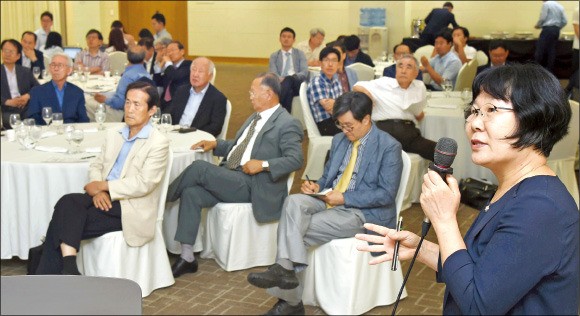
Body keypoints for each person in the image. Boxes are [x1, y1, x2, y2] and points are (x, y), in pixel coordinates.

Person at [356, 64, 579, 315]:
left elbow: (477, 305)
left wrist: (444, 219)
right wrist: (422, 248)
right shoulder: (516, 189)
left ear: (535, 119)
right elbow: (482, 270)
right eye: (473, 111)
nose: (474, 123)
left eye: (491, 110)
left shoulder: (541, 206)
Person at [247, 91, 403, 315]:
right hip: (329, 198)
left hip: (362, 212)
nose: (345, 131)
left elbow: (386, 194)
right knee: (292, 203)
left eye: (349, 126)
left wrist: (345, 198)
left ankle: (290, 300)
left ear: (366, 119)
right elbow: (328, 176)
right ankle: (286, 274)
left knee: (295, 228)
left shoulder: (388, 147)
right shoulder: (340, 139)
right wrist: (317, 187)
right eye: (341, 125)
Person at [166, 72, 303, 278]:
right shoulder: (255, 117)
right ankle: (187, 257)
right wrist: (216, 144)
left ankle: (158, 201)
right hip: (233, 177)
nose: (249, 96)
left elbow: (295, 159)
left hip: (255, 185)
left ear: (268, 94)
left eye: (253, 92)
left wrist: (264, 165)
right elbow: (241, 146)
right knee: (192, 193)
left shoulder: (287, 123)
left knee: (198, 168)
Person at [35, 81, 170, 275]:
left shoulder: (158, 142)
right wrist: (99, 190)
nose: (130, 109)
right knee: (67, 203)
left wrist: (104, 187)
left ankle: (52, 272)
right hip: (102, 198)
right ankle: (69, 269)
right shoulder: (114, 133)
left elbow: (144, 183)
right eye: (127, 103)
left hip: (129, 207)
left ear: (151, 110)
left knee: (64, 215)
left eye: (137, 105)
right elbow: (97, 164)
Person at [355, 54, 437, 161]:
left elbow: (419, 115)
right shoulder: (384, 83)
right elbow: (357, 86)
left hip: (409, 132)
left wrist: (418, 113)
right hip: (384, 130)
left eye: (409, 67)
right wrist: (368, 95)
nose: (403, 70)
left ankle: (439, 178)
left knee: (441, 151)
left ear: (416, 73)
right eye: (400, 66)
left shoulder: (419, 87)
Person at [89, 45, 150, 122]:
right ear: (143, 59)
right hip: (142, 111)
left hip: (122, 113)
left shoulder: (128, 76)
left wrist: (105, 100)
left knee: (87, 102)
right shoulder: (146, 74)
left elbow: (120, 103)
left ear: (127, 57)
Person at [169, 57, 227, 137]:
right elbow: (170, 113)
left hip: (197, 140)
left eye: (200, 71)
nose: (195, 74)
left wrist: (193, 136)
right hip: (175, 135)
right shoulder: (181, 91)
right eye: (193, 70)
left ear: (210, 76)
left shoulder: (218, 98)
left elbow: (215, 128)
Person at [27, 53, 89, 125]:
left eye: (60, 65)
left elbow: (84, 120)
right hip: (46, 133)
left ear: (69, 70)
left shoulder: (77, 92)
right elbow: (33, 119)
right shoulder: (37, 91)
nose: (56, 69)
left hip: (70, 132)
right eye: (53, 65)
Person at [268, 27, 309, 113]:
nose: (286, 39)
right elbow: (273, 72)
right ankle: (285, 118)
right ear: (279, 39)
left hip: (296, 82)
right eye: (284, 36)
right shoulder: (274, 56)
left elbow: (304, 72)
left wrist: (291, 78)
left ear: (294, 40)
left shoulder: (300, 54)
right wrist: (280, 79)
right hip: (280, 83)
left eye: (289, 37)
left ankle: (276, 108)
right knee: (288, 91)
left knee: (289, 79)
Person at [1, 39, 39, 128]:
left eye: (11, 51)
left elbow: (38, 88)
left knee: (35, 119)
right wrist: (7, 102)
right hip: (5, 109)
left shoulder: (25, 71)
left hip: (24, 108)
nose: (7, 54)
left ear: (18, 56)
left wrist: (27, 96)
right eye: (5, 51)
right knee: (12, 122)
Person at [307, 46, 344, 136]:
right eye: (326, 60)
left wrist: (336, 103)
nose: (330, 64)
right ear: (320, 63)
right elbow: (328, 108)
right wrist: (341, 104)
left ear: (338, 64)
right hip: (325, 125)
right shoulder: (317, 81)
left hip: (337, 120)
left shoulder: (336, 80)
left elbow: (339, 105)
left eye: (334, 60)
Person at [153, 41, 191, 111]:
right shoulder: (169, 68)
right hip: (164, 103)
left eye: (172, 50)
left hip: (179, 102)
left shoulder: (189, 65)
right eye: (168, 51)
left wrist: (168, 63)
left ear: (182, 51)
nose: (170, 53)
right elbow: (159, 83)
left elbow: (174, 76)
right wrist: (158, 68)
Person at [534, 0, 567, 73]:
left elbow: (542, 17)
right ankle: (550, 71)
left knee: (540, 50)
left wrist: (538, 25)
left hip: (547, 29)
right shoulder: (560, 6)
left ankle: (536, 71)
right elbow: (565, 21)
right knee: (551, 50)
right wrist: (557, 27)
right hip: (556, 30)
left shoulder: (546, 4)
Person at [565, 5, 579, 97]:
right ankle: (568, 91)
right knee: (576, 71)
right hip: (578, 48)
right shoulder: (578, 10)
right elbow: (577, 29)